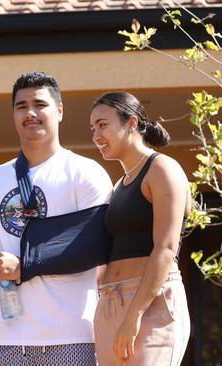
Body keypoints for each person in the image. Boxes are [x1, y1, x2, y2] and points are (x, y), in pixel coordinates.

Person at [0, 71, 113, 365]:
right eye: (21, 106)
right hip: (5, 337)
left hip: (71, 333)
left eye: (40, 104)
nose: (30, 113)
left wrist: (25, 266)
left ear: (59, 110)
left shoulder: (86, 173)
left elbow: (94, 247)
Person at [90, 92, 190, 365]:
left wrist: (133, 316)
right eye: (93, 128)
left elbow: (166, 248)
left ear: (131, 122)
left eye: (102, 125)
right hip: (111, 301)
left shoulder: (162, 169)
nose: (96, 136)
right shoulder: (118, 185)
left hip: (151, 303)